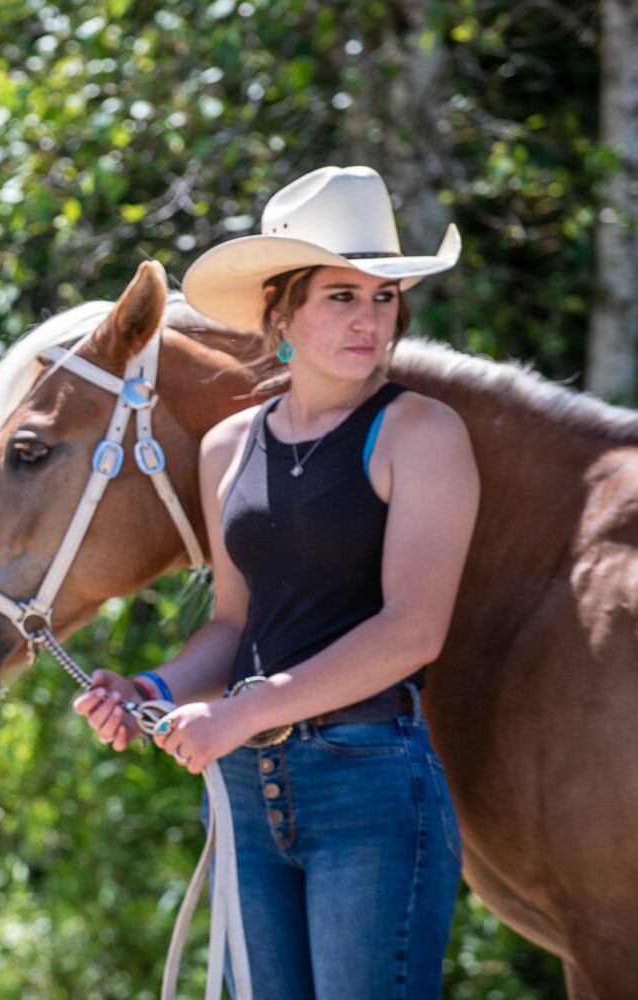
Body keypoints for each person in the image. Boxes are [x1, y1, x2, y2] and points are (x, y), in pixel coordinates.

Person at [74, 165, 478, 999]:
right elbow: (234, 626)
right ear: (281, 312)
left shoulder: (421, 432)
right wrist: (150, 687)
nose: (370, 319)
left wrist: (240, 713)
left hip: (371, 781)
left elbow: (413, 630)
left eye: (383, 297)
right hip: (249, 792)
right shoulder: (228, 447)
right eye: (341, 296)